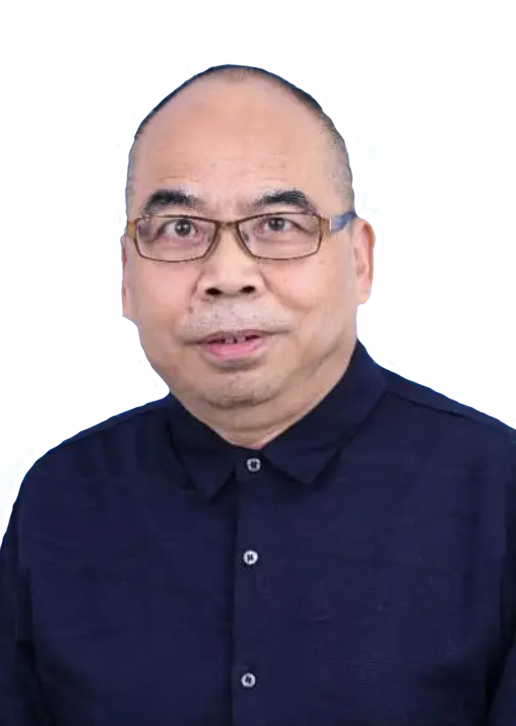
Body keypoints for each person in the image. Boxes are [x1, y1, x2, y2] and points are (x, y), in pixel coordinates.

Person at [0, 47, 515, 726]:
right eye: (180, 228)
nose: (227, 276)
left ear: (361, 260)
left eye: (277, 225)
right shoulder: (59, 500)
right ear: (125, 275)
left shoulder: (498, 494)